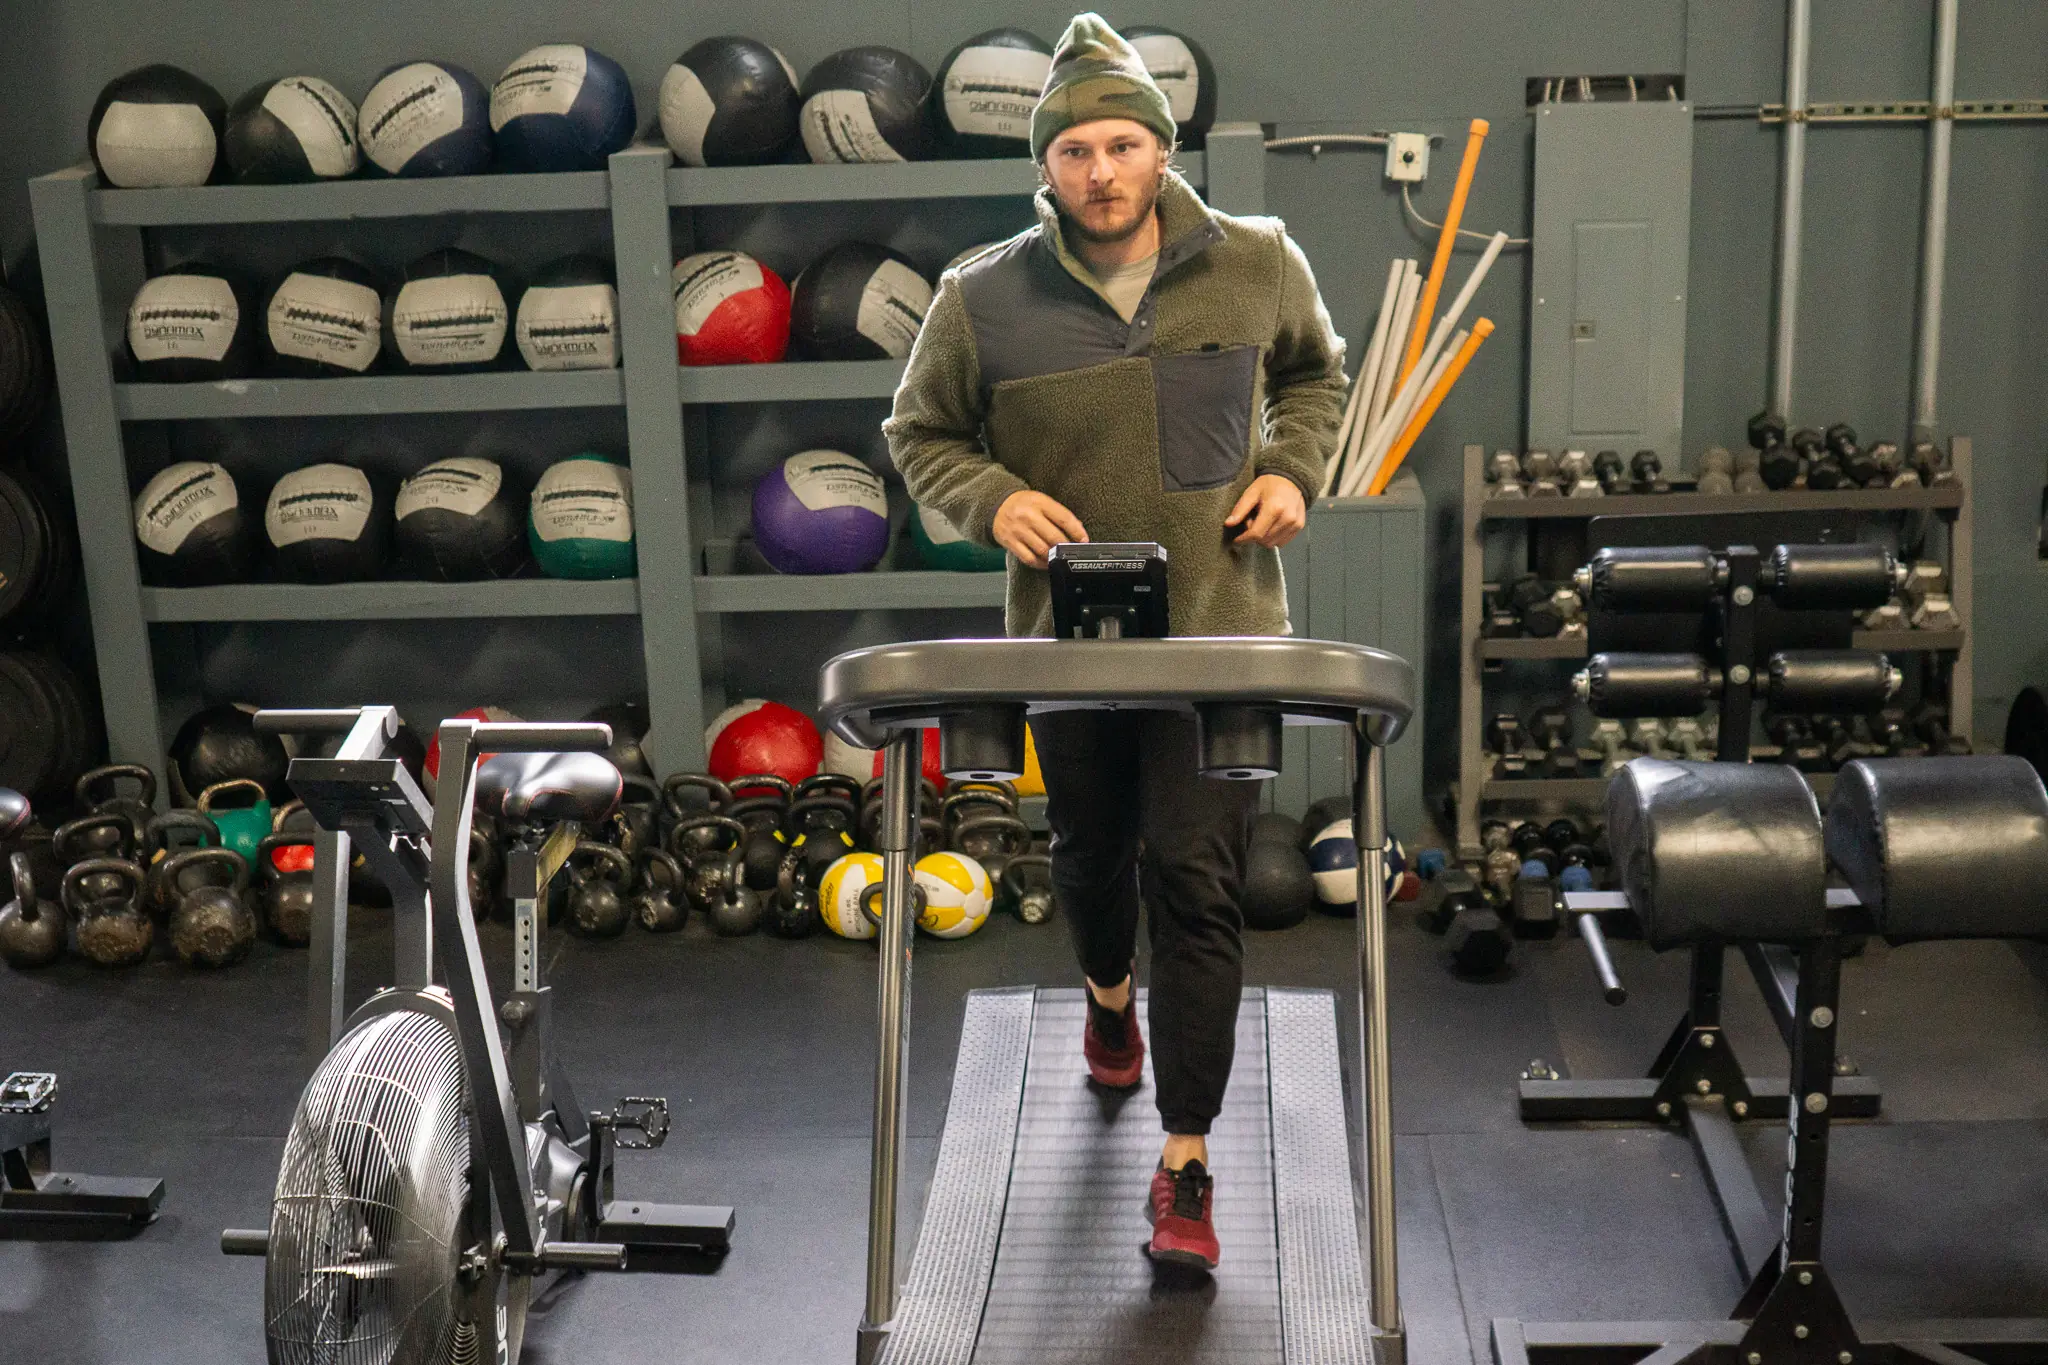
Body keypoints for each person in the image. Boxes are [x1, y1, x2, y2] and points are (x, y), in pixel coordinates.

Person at [884, 12, 1346, 1270]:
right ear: (1044, 167)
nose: (1100, 170)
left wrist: (1296, 471)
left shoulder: (1256, 262)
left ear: (1161, 150)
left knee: (1194, 881)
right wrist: (991, 500)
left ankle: (1184, 1163)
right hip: (1067, 650)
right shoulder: (980, 297)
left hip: (1218, 635)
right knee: (1089, 863)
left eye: (1122, 144)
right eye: (1076, 149)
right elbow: (918, 434)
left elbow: (1315, 378)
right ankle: (1104, 1001)